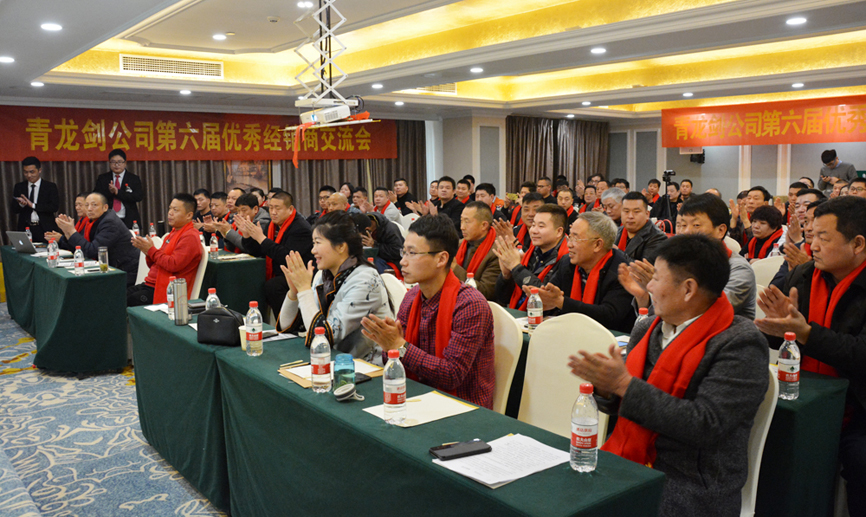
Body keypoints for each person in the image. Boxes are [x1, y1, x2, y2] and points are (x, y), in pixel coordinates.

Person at [571, 234, 768, 516]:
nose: (649, 286)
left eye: (656, 278)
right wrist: (606, 388)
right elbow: (626, 402)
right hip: (629, 459)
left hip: (690, 484)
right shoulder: (648, 328)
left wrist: (624, 384)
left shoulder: (740, 342)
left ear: (688, 289)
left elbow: (705, 424)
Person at [754, 196, 866, 515]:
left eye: (823, 238)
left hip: (859, 407)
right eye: (811, 235)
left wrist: (805, 333)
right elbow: (783, 337)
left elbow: (860, 353)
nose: (812, 245)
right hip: (803, 394)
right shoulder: (803, 274)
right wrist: (776, 327)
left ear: (857, 244)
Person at [361, 214, 495, 409]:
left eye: (412, 253)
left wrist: (400, 346)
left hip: (463, 408)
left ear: (441, 259)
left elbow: (452, 374)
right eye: (403, 252)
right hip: (417, 397)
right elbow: (395, 357)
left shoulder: (470, 305)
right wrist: (388, 344)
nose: (403, 262)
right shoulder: (411, 297)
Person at [279, 212, 393, 359]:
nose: (313, 250)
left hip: (366, 365)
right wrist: (294, 292)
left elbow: (322, 337)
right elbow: (286, 326)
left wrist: (304, 290)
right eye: (313, 243)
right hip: (335, 360)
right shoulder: (324, 275)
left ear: (340, 246)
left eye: (318, 243)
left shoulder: (365, 280)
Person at [528, 212, 635, 332]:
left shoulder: (622, 271)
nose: (569, 244)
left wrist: (561, 302)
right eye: (569, 237)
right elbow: (554, 298)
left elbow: (609, 316)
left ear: (597, 244)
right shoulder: (567, 263)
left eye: (575, 238)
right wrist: (543, 300)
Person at [238, 191, 314, 312]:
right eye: (271, 208)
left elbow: (287, 257)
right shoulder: (271, 225)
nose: (273, 212)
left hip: (299, 273)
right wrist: (247, 235)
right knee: (250, 278)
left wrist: (261, 239)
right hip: (279, 271)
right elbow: (259, 252)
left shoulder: (301, 228)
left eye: (277, 208)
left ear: (290, 209)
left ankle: (288, 321)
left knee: (273, 286)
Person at [46, 192, 140, 285]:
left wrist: (71, 231)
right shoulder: (93, 221)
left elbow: (91, 251)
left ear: (105, 207)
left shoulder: (109, 223)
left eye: (94, 205)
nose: (89, 209)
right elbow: (81, 247)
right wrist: (67, 233)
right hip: (109, 267)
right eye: (87, 205)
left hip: (125, 271)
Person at [128, 194, 202, 306]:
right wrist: (147, 252)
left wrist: (151, 250)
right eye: (170, 208)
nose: (170, 213)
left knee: (125, 302)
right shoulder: (172, 233)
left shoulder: (190, 236)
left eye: (175, 210)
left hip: (166, 289)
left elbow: (173, 264)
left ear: (189, 215)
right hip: (151, 283)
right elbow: (156, 264)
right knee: (117, 296)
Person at [494, 204, 569, 310]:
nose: (533, 230)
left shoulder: (568, 259)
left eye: (541, 226)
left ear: (559, 231)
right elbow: (503, 298)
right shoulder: (531, 253)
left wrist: (516, 267)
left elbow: (545, 296)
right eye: (533, 225)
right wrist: (506, 276)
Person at [770, 198, 826, 290]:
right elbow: (774, 288)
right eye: (806, 222)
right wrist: (795, 272)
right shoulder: (797, 250)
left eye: (815, 222)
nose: (808, 228)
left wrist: (806, 269)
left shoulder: (833, 254)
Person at [455, 201, 501, 300]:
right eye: (461, 221)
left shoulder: (497, 251)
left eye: (467, 222)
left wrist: (454, 267)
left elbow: (486, 291)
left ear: (484, 225)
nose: (462, 227)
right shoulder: (459, 244)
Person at [12, 156, 59, 242]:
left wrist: (33, 205)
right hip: (25, 228)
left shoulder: (50, 187)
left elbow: (54, 207)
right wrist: (21, 205)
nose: (29, 175)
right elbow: (14, 209)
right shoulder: (19, 187)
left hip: (44, 228)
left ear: (39, 170)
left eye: (32, 172)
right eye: (25, 172)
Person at [94, 149, 144, 230]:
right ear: (109, 163)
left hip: (128, 219)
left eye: (120, 162)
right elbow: (96, 196)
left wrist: (118, 192)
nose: (116, 165)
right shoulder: (103, 178)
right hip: (108, 218)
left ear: (125, 163)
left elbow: (138, 196)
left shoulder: (133, 178)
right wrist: (110, 192)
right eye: (113, 162)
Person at [616, 191, 667, 264]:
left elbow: (643, 268)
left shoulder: (658, 237)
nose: (630, 216)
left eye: (636, 212)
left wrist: (616, 252)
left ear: (647, 214)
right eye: (626, 211)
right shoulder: (616, 231)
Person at [351, 212, 404, 277]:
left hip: (392, 261)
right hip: (372, 257)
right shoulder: (362, 220)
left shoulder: (390, 229)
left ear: (367, 229)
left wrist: (374, 245)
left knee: (373, 263)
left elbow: (397, 252)